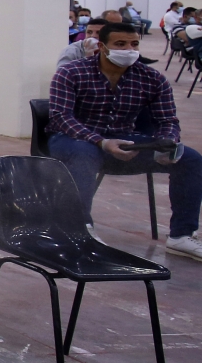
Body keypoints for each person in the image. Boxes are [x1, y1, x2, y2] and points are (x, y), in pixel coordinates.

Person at [47, 22, 202, 259]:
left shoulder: (152, 78)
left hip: (125, 140)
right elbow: (61, 118)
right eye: (120, 44)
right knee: (84, 153)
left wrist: (166, 141)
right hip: (72, 139)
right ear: (102, 47)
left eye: (134, 44)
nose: (129, 49)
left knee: (190, 159)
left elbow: (168, 120)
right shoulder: (71, 72)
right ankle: (80, 229)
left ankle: (181, 235)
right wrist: (100, 142)